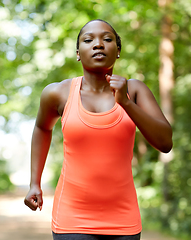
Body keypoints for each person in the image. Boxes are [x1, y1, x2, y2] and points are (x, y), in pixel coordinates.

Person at [24, 19, 173, 240]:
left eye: (107, 39)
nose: (98, 44)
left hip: (124, 220)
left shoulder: (135, 90)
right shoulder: (58, 93)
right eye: (88, 40)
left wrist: (127, 103)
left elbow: (165, 143)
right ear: (78, 53)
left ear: (118, 50)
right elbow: (42, 128)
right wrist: (34, 183)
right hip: (72, 219)